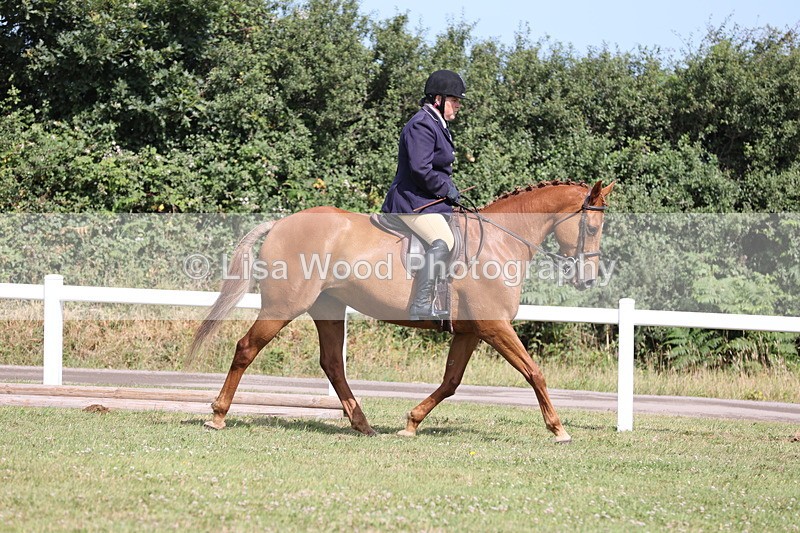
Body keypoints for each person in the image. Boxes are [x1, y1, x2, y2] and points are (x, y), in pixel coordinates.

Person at [381, 69, 466, 320]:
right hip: (410, 201)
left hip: (427, 200)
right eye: (455, 100)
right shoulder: (421, 124)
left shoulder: (437, 124)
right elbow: (420, 169)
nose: (458, 105)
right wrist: (445, 189)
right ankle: (420, 304)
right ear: (438, 99)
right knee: (444, 240)